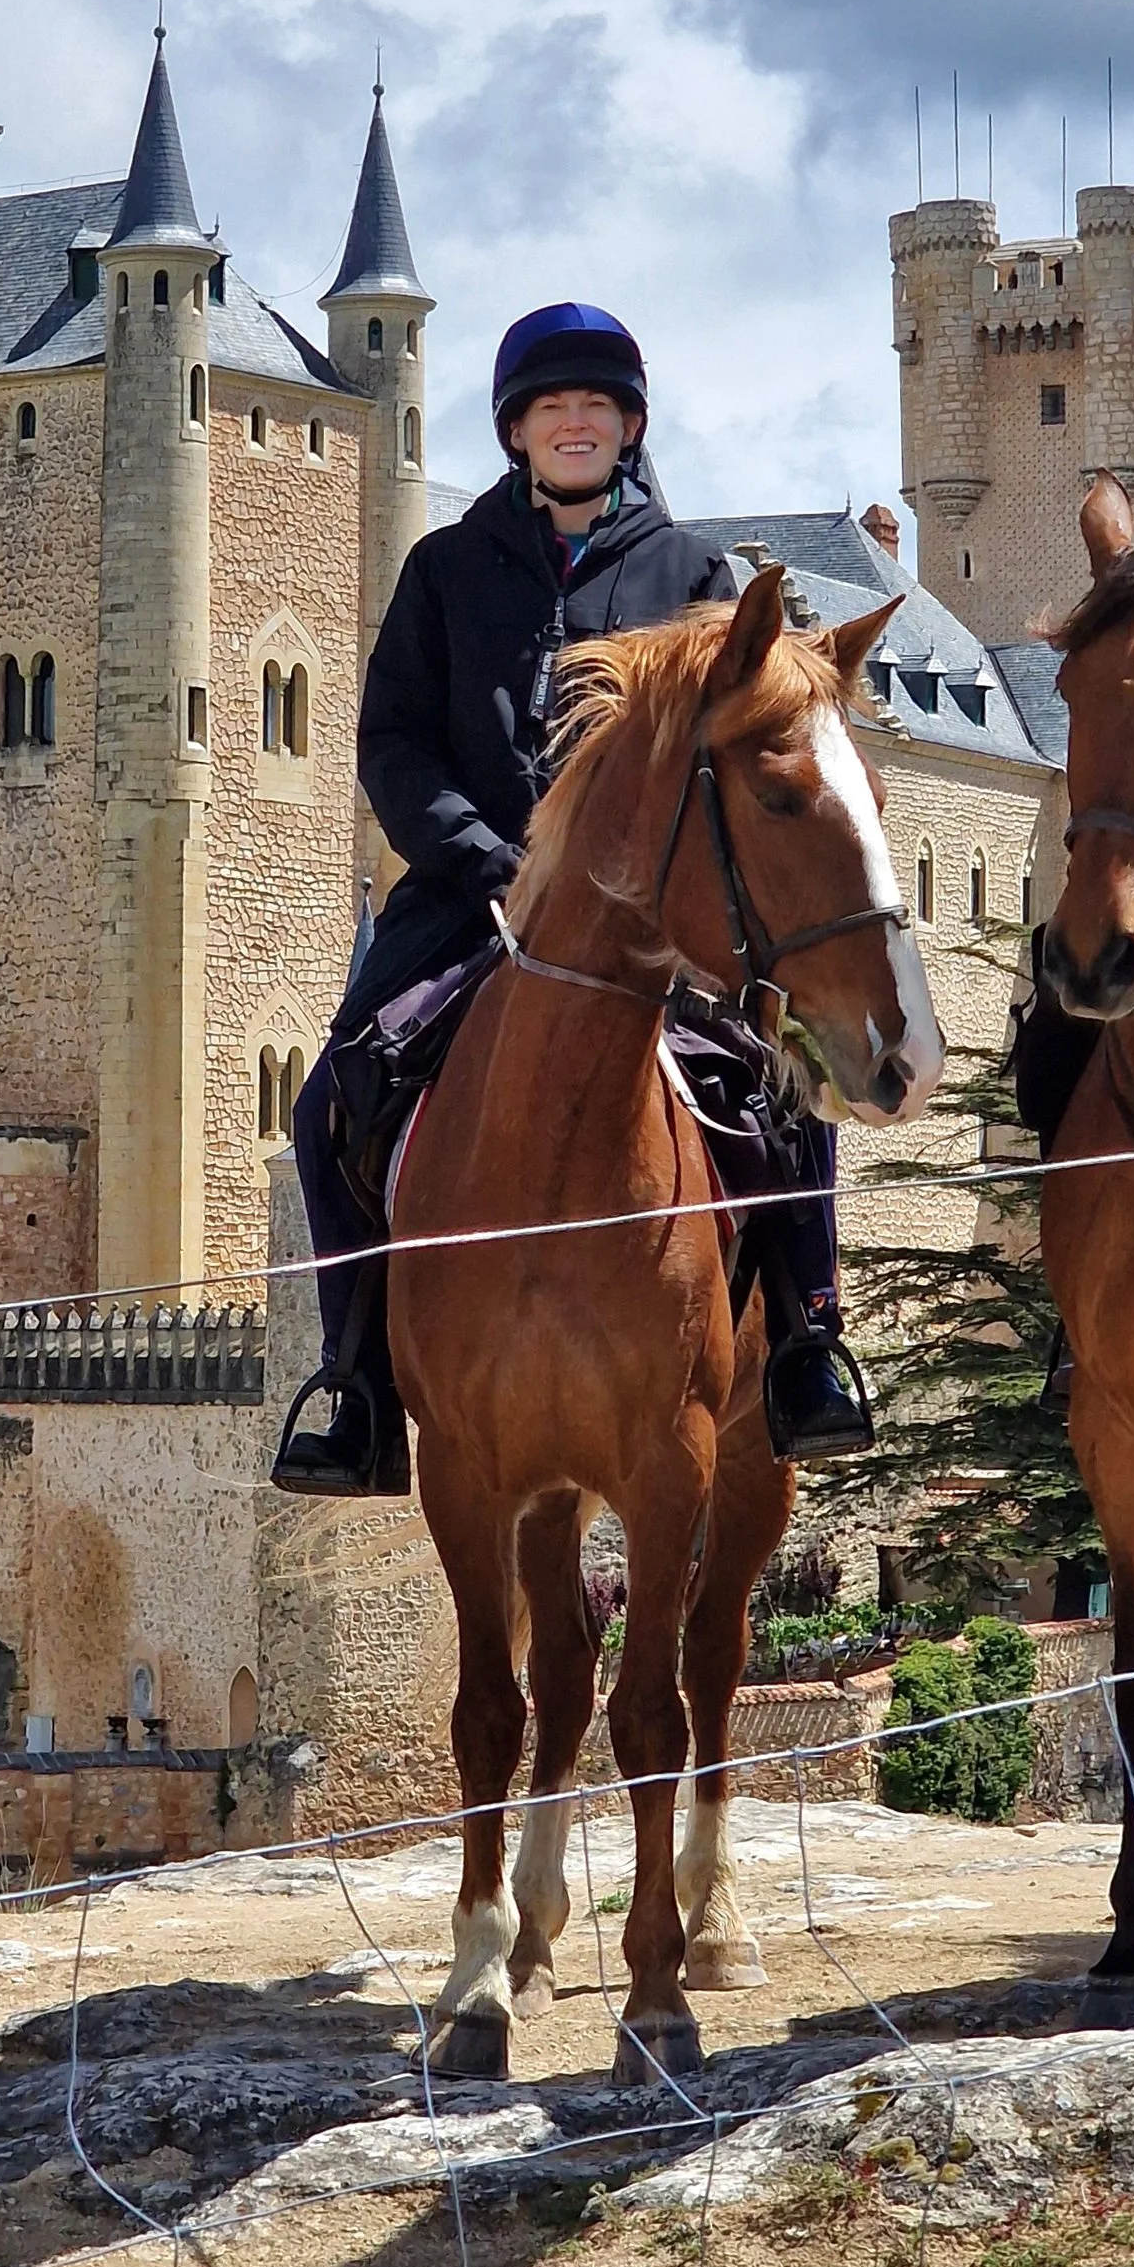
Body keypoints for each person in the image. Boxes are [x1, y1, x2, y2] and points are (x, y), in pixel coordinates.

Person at [270, 299, 873, 1494]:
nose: (576, 423)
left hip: (657, 916)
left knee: (787, 1090)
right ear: (515, 430)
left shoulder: (692, 572)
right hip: (467, 898)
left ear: (629, 424)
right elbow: (391, 740)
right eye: (554, 407)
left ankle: (807, 1338)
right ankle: (357, 1381)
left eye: (596, 405)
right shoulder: (442, 568)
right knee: (331, 1096)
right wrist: (481, 857)